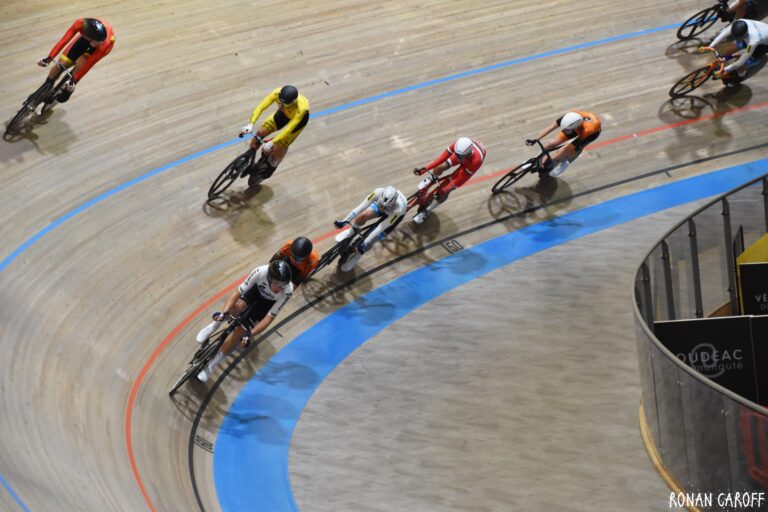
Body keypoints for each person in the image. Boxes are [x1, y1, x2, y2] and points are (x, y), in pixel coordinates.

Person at [195, 260, 293, 383]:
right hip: (256, 291)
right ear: (269, 278)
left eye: (283, 285)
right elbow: (236, 294)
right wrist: (224, 313)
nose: (280, 288)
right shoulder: (260, 272)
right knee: (237, 306)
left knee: (239, 332)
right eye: (277, 284)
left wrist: (249, 334)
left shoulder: (287, 291)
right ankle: (213, 326)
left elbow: (269, 318)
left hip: (267, 304)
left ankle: (211, 366)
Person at [37, 17, 115, 107]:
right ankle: (46, 86)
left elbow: (88, 65)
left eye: (98, 42)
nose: (98, 44)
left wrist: (74, 80)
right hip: (88, 38)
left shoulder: (102, 45)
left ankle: (67, 91)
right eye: (97, 42)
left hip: (103, 48)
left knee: (80, 66)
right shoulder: (80, 24)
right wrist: (49, 58)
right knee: (61, 64)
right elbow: (63, 41)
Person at [239, 85, 310, 180]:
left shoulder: (302, 108)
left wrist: (272, 142)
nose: (280, 105)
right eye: (280, 102)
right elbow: (260, 107)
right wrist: (250, 124)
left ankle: (272, 166)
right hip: (283, 114)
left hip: (298, 120)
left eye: (284, 104)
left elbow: (289, 129)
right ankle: (249, 157)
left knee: (282, 143)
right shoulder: (277, 93)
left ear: (293, 102)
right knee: (260, 132)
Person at [411, 136, 487, 224]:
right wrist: (424, 169)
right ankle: (432, 178)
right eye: (456, 154)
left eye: (460, 157)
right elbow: (440, 159)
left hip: (470, 165)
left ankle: (428, 210)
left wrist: (447, 188)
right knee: (440, 167)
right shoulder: (458, 146)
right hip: (465, 155)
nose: (457, 158)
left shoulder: (476, 161)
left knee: (444, 191)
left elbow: (459, 179)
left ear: (468, 154)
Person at [333, 186, 407, 272]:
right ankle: (351, 232)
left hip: (393, 215)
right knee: (363, 215)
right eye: (381, 205)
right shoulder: (378, 192)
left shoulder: (398, 209)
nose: (382, 208)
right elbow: (360, 208)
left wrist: (365, 243)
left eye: (384, 207)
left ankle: (357, 256)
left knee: (374, 238)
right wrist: (344, 221)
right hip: (385, 205)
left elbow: (380, 228)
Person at [526, 111, 602, 178]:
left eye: (566, 129)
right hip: (575, 127)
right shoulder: (568, 117)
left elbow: (568, 149)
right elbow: (551, 127)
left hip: (590, 134)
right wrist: (536, 139)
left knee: (570, 150)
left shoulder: (588, 130)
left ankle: (565, 162)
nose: (564, 130)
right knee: (551, 143)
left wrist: (550, 160)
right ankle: (535, 160)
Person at [709, 19, 768, 86]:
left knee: (740, 65)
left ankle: (741, 76)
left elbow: (740, 62)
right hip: (755, 33)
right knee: (728, 50)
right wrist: (710, 46)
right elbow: (722, 35)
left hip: (763, 45)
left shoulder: (753, 41)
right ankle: (724, 61)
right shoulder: (738, 22)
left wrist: (725, 70)